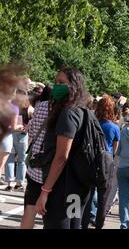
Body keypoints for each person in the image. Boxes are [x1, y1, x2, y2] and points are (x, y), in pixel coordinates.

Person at [34, 68, 91, 229]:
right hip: (78, 185)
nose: (56, 86)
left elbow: (61, 157)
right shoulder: (84, 111)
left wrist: (45, 191)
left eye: (61, 83)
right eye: (56, 82)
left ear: (73, 86)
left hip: (62, 188)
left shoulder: (68, 114)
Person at [81, 94, 120, 229]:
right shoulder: (114, 127)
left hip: (91, 159)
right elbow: (115, 148)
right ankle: (99, 225)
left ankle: (84, 223)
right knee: (103, 197)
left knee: (88, 195)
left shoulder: (92, 122)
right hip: (106, 160)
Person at [21, 86, 52, 229]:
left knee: (29, 209)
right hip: (54, 170)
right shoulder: (66, 109)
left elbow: (32, 132)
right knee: (52, 215)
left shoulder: (40, 107)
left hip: (36, 166)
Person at [5, 89, 30, 191]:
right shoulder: (28, 108)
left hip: (11, 133)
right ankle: (19, 183)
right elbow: (32, 120)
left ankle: (10, 183)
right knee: (22, 160)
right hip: (22, 134)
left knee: (10, 159)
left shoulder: (11, 106)